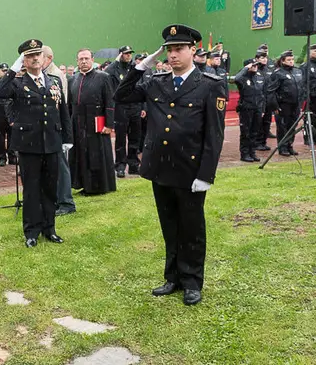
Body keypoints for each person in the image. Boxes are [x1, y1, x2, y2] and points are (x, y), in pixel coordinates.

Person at [115, 24, 226, 306]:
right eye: (169, 50)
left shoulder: (210, 85)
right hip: (160, 168)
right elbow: (121, 95)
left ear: (193, 50)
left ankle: (192, 281)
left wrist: (206, 175)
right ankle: (173, 277)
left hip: (190, 171)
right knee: (169, 225)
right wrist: (141, 66)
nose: (173, 55)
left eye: (179, 49)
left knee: (191, 227)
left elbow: (214, 135)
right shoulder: (156, 81)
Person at [0, 39, 73, 248]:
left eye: (38, 54)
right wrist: (13, 69)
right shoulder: (17, 82)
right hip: (29, 145)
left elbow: (63, 111)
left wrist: (67, 139)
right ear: (24, 60)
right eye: (29, 56)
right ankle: (31, 231)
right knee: (31, 190)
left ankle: (50, 228)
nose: (35, 58)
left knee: (49, 189)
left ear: (44, 57)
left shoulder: (53, 81)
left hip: (52, 143)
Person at [69, 48, 117, 195]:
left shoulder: (103, 77)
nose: (83, 61)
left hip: (97, 123)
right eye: (81, 59)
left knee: (96, 155)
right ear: (77, 61)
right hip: (78, 124)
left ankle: (98, 186)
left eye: (86, 58)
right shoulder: (72, 79)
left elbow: (110, 102)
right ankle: (83, 183)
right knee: (81, 155)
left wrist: (109, 124)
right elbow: (70, 104)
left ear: (92, 59)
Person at [42, 45, 76, 216]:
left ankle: (66, 202)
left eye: (40, 56)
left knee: (61, 168)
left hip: (56, 129)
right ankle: (56, 199)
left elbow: (62, 105)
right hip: (48, 130)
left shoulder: (55, 75)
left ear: (48, 58)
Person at [106, 45, 141, 178]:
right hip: (121, 107)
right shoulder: (115, 68)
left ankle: (133, 165)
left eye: (130, 53)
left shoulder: (134, 68)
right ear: (120, 54)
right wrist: (115, 61)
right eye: (125, 53)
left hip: (135, 106)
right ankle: (120, 165)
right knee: (120, 137)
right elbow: (106, 73)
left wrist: (142, 107)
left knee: (135, 137)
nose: (128, 56)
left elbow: (141, 85)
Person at [266, 50, 304, 157]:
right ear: (283, 61)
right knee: (283, 126)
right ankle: (282, 147)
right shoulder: (278, 73)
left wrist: (301, 101)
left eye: (292, 59)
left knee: (292, 126)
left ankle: (289, 145)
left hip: (295, 104)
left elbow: (301, 87)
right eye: (289, 60)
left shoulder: (297, 71)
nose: (291, 62)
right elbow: (270, 91)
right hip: (283, 104)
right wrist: (275, 106)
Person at [233, 59, 266, 162]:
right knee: (246, 132)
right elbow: (236, 78)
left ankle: (252, 152)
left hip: (258, 108)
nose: (255, 67)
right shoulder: (243, 78)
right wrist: (246, 68)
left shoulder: (259, 77)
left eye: (256, 65)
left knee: (254, 132)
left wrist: (263, 108)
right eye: (253, 65)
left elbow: (263, 94)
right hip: (246, 108)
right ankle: (245, 154)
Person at [254, 50, 275, 150]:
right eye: (262, 58)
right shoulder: (254, 69)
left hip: (268, 100)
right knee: (258, 122)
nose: (264, 60)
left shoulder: (269, 70)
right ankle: (256, 142)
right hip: (258, 100)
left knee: (267, 122)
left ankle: (263, 142)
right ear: (257, 59)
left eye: (265, 58)